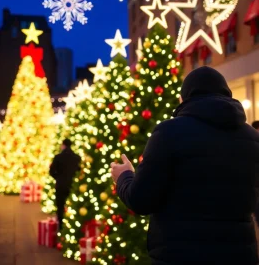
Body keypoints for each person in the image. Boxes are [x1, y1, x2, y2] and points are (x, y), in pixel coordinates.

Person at [111, 66, 259, 265]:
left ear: (184, 98)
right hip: (239, 255)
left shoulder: (169, 133)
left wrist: (124, 176)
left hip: (180, 255)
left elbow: (141, 200)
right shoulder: (253, 138)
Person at [50, 139, 81, 230]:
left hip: (61, 185)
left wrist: (58, 178)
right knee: (73, 206)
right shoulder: (77, 158)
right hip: (73, 185)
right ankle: (71, 228)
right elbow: (79, 171)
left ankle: (61, 227)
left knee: (60, 206)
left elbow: (51, 171)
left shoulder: (58, 157)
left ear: (63, 145)